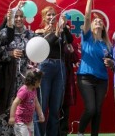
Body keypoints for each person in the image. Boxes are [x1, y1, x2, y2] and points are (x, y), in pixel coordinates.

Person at [76, 0, 114, 136]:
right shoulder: (86, 37)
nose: (97, 22)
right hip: (85, 78)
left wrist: (110, 62)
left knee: (98, 111)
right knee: (91, 108)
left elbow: (112, 63)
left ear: (104, 27)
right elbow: (86, 17)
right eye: (95, 21)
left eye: (100, 21)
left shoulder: (107, 44)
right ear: (91, 26)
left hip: (102, 80)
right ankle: (80, 132)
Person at [0, 5, 35, 136]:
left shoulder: (30, 34)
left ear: (25, 18)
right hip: (7, 78)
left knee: (21, 108)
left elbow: (36, 53)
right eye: (15, 16)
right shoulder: (4, 33)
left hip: (24, 79)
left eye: (21, 16)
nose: (18, 19)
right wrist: (10, 53)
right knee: (5, 107)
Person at [34, 7, 74, 136]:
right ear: (44, 18)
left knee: (55, 106)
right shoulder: (39, 32)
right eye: (49, 15)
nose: (51, 17)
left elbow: (71, 40)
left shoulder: (61, 30)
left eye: (53, 15)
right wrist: (56, 33)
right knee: (42, 103)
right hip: (45, 66)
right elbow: (45, 45)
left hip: (60, 66)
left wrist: (64, 27)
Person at [8, 70, 44, 136]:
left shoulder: (34, 90)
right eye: (39, 81)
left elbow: (36, 103)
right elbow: (15, 103)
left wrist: (40, 114)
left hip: (29, 121)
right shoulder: (24, 91)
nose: (40, 83)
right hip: (20, 121)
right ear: (34, 81)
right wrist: (12, 117)